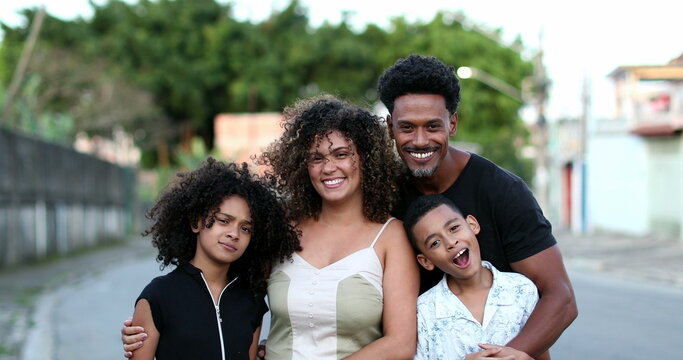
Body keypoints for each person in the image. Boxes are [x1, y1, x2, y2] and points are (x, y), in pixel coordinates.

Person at [123, 96, 419, 359]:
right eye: (316, 158)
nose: (329, 168)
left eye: (341, 154)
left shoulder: (390, 237)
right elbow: (224, 296)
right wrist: (153, 324)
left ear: (365, 159)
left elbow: (400, 343)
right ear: (302, 166)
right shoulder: (281, 229)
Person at [377, 53, 577, 358]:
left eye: (433, 126)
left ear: (452, 123)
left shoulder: (502, 191)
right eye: (407, 128)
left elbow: (560, 297)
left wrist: (507, 355)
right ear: (390, 126)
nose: (419, 141)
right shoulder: (382, 195)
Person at [128, 158, 300, 360]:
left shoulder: (252, 300)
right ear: (196, 222)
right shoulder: (158, 296)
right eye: (224, 221)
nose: (234, 234)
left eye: (245, 228)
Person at [404, 194, 546, 360]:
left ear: (472, 225)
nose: (450, 242)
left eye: (454, 228)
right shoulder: (424, 313)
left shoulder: (522, 290)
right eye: (435, 243)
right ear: (426, 261)